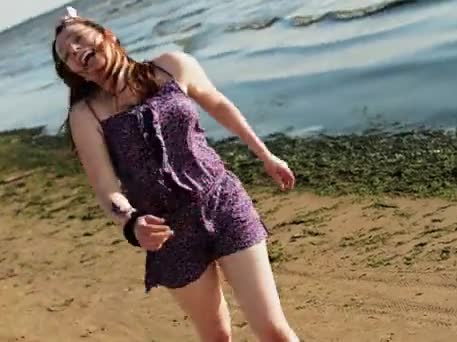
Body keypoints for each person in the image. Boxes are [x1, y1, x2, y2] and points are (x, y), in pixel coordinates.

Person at [51, 7, 299, 342]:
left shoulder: (171, 66)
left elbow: (219, 105)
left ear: (107, 35)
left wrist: (266, 156)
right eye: (67, 54)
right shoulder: (86, 115)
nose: (76, 51)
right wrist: (131, 222)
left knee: (273, 330)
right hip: (167, 232)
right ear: (71, 71)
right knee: (216, 337)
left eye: (79, 40)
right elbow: (106, 189)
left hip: (222, 202)